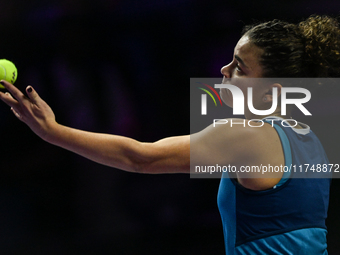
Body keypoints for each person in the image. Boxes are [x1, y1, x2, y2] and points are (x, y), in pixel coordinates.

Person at [0, 15, 339, 254]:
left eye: (239, 67)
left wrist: (52, 132)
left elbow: (140, 158)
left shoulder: (247, 134)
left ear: (269, 93)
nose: (224, 71)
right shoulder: (314, 139)